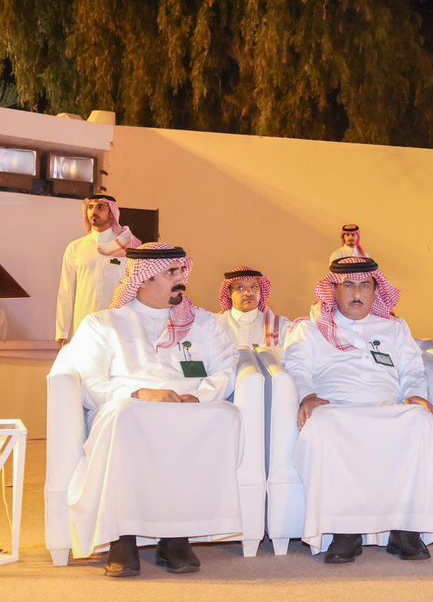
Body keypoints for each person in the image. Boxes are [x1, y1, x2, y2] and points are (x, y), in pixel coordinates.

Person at [53, 243, 243, 577]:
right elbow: (90, 381)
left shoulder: (204, 323)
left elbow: (226, 367)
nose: (182, 279)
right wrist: (139, 393)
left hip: (187, 406)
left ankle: (176, 536)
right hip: (129, 406)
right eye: (171, 272)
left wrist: (200, 396)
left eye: (182, 271)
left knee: (224, 416)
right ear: (142, 279)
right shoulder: (103, 324)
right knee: (125, 416)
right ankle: (122, 537)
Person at [282, 256, 433, 564]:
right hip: (337, 409)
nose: (357, 293)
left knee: (421, 422)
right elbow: (296, 368)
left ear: (376, 291)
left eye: (364, 285)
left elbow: (412, 370)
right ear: (333, 290)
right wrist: (307, 396)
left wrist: (415, 394)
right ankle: (344, 531)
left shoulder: (394, 328)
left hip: (387, 409)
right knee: (323, 425)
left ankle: (406, 529)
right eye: (348, 285)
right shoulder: (309, 328)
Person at [55, 194, 139, 344]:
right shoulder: (75, 248)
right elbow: (66, 292)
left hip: (118, 328)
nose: (94, 212)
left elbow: (137, 290)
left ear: (111, 213)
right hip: (84, 327)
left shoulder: (129, 247)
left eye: (100, 207)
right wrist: (62, 332)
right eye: (90, 207)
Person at [217, 267, 289, 352]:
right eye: (240, 287)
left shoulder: (280, 326)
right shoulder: (215, 324)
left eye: (254, 287)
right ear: (229, 293)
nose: (248, 293)